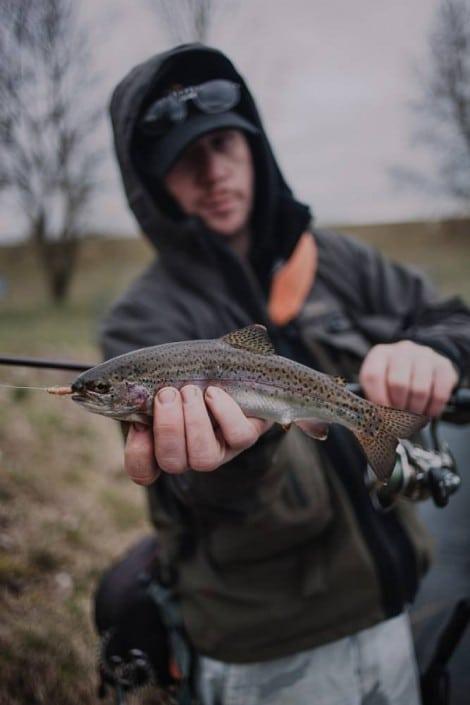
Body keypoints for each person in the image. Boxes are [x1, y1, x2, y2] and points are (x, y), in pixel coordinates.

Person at [100, 44, 470, 704]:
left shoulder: (339, 260)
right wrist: (235, 459)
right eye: (186, 159)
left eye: (222, 144)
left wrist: (437, 348)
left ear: (255, 148)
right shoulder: (142, 319)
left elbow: (452, 317)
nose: (213, 173)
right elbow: (191, 496)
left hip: (391, 610)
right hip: (266, 650)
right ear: (154, 184)